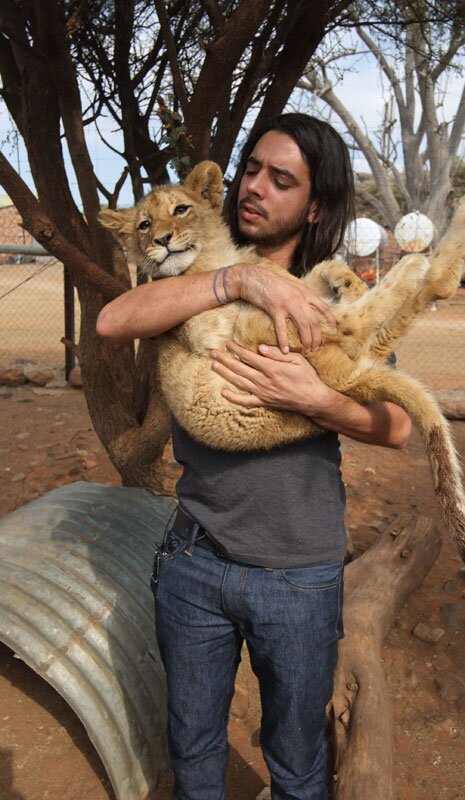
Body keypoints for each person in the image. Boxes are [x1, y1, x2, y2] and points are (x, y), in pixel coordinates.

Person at [97, 113, 411, 800]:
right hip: (194, 560)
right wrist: (240, 283)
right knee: (194, 751)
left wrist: (319, 401)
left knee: (297, 765)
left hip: (296, 573)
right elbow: (113, 321)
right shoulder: (197, 264)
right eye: (252, 170)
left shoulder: (333, 287)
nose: (255, 188)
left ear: (316, 202)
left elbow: (395, 426)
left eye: (281, 180)